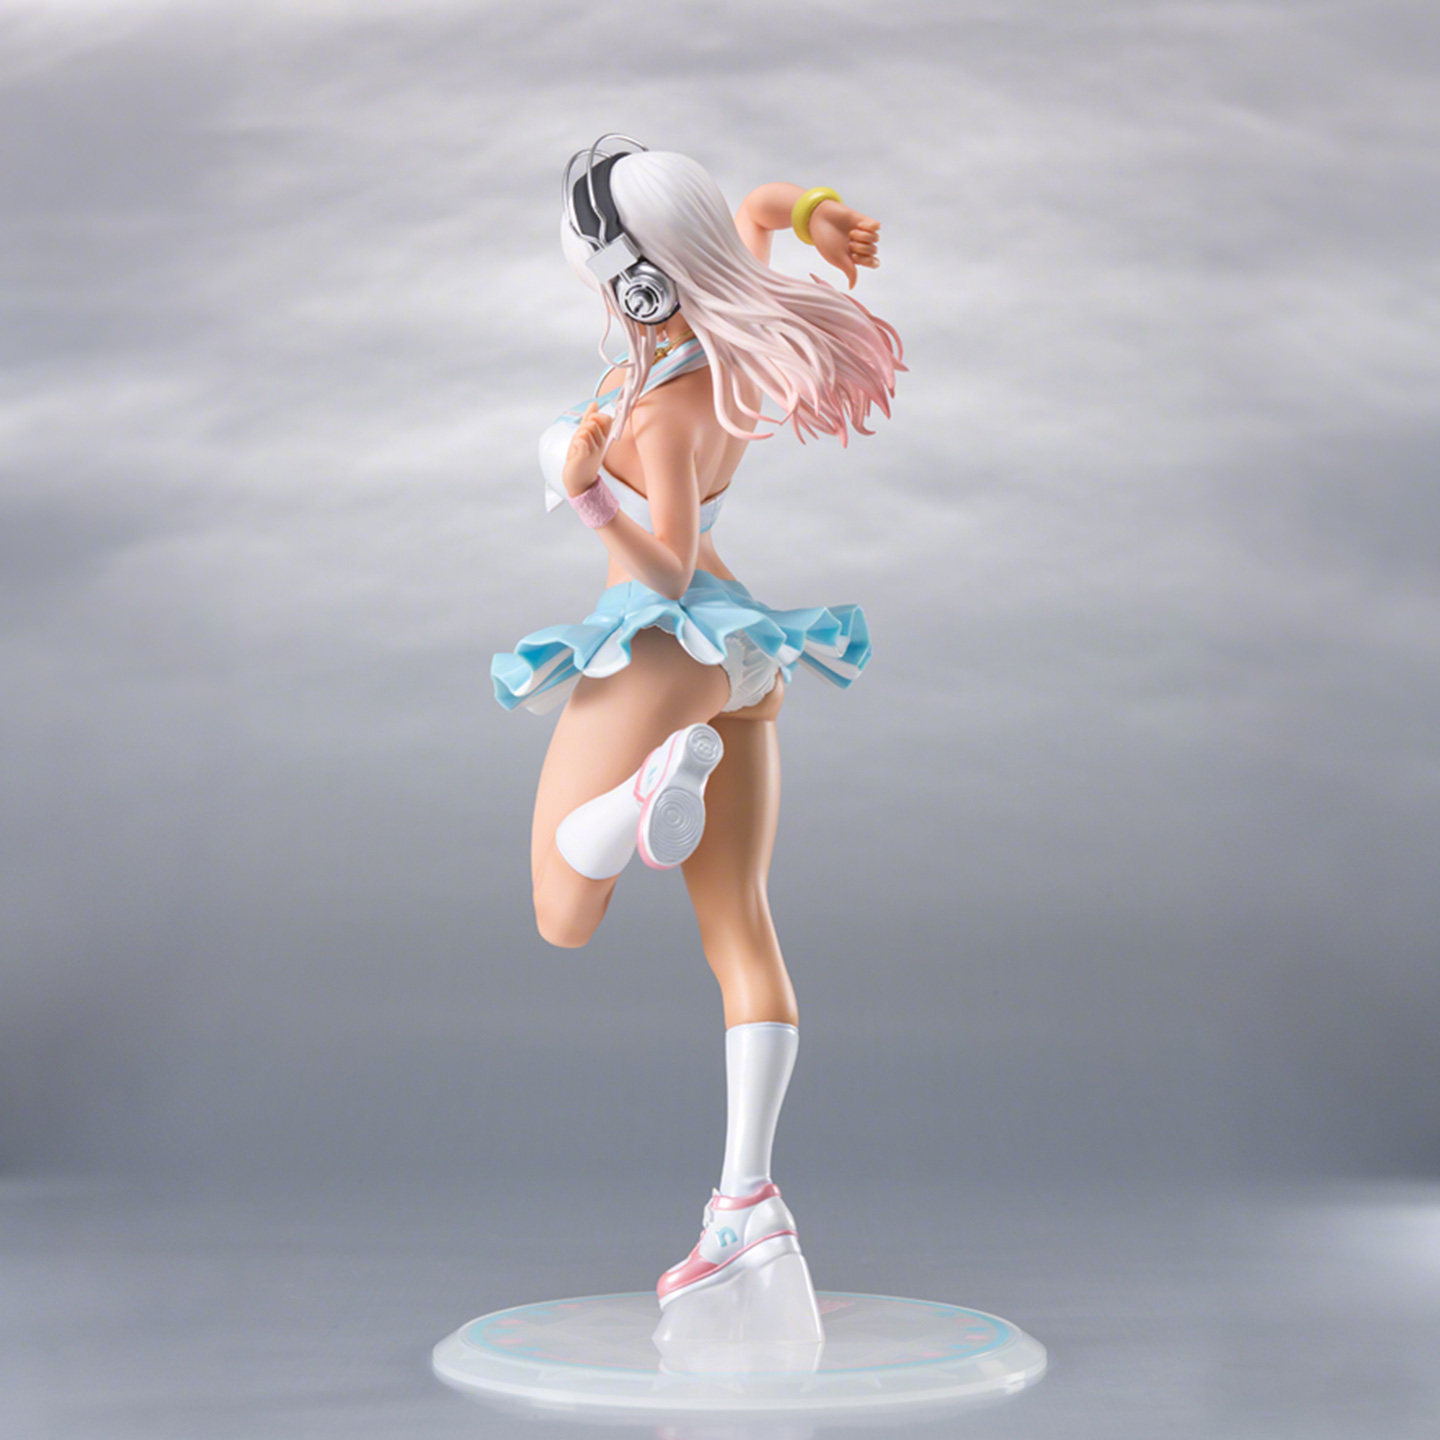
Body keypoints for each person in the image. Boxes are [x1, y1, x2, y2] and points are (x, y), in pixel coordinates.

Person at [491, 137, 904, 1310]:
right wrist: (815, 210)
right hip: (748, 657)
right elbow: (760, 205)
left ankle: (637, 800)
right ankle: (746, 1206)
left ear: (634, 277)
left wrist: (586, 493)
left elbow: (665, 570)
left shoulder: (666, 410)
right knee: (740, 931)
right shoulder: (724, 349)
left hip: (670, 644)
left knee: (562, 907)